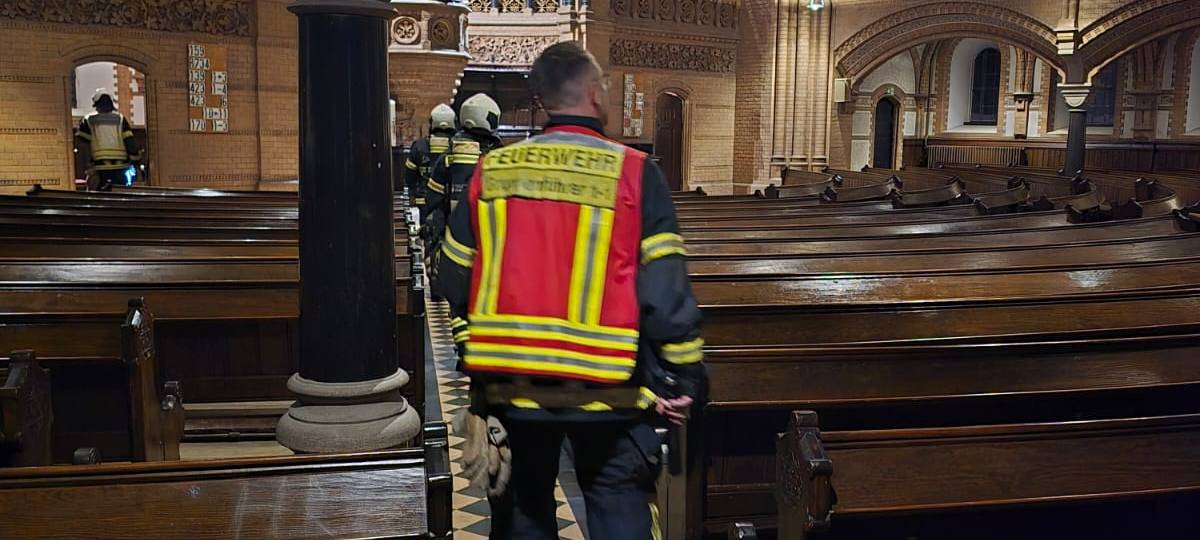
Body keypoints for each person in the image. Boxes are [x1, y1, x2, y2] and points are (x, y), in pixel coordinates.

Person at [434, 41, 707, 540]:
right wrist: (684, 379)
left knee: (524, 513)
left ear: (541, 99)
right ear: (595, 94)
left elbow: (450, 275)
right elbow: (665, 293)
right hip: (609, 388)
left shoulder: (491, 172)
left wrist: (473, 355)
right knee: (617, 502)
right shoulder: (635, 173)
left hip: (511, 385)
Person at [422, 93, 502, 290]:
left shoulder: (447, 159)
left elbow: (433, 201)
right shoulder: (497, 158)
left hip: (452, 244)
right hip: (486, 241)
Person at [75, 90, 141, 191]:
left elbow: (82, 144)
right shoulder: (120, 119)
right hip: (120, 167)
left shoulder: (88, 120)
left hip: (99, 168)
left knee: (99, 199)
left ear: (96, 105)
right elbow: (130, 142)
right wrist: (136, 160)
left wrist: (88, 166)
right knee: (120, 197)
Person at [403, 104, 457, 216]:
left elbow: (409, 178)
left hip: (423, 205)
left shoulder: (419, 146)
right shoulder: (457, 147)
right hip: (450, 205)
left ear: (432, 123)